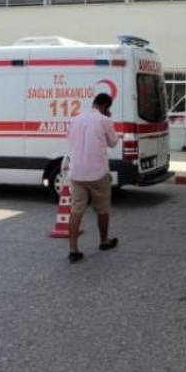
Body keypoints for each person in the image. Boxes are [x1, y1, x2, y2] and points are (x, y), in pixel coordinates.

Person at [65, 93, 120, 263]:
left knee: (76, 210)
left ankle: (73, 249)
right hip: (97, 173)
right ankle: (104, 241)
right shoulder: (104, 120)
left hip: (76, 173)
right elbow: (113, 142)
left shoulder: (74, 120)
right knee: (102, 209)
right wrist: (108, 119)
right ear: (105, 106)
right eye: (108, 108)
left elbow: (70, 141)